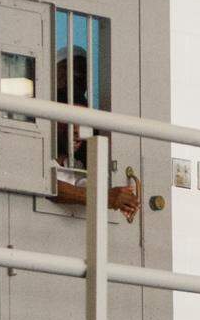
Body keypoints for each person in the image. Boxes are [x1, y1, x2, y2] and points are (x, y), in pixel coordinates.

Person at [52, 48, 139, 220]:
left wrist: (122, 198)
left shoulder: (75, 163)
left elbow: (84, 185)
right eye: (70, 120)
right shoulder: (40, 153)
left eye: (83, 123)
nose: (77, 130)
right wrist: (104, 197)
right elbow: (47, 185)